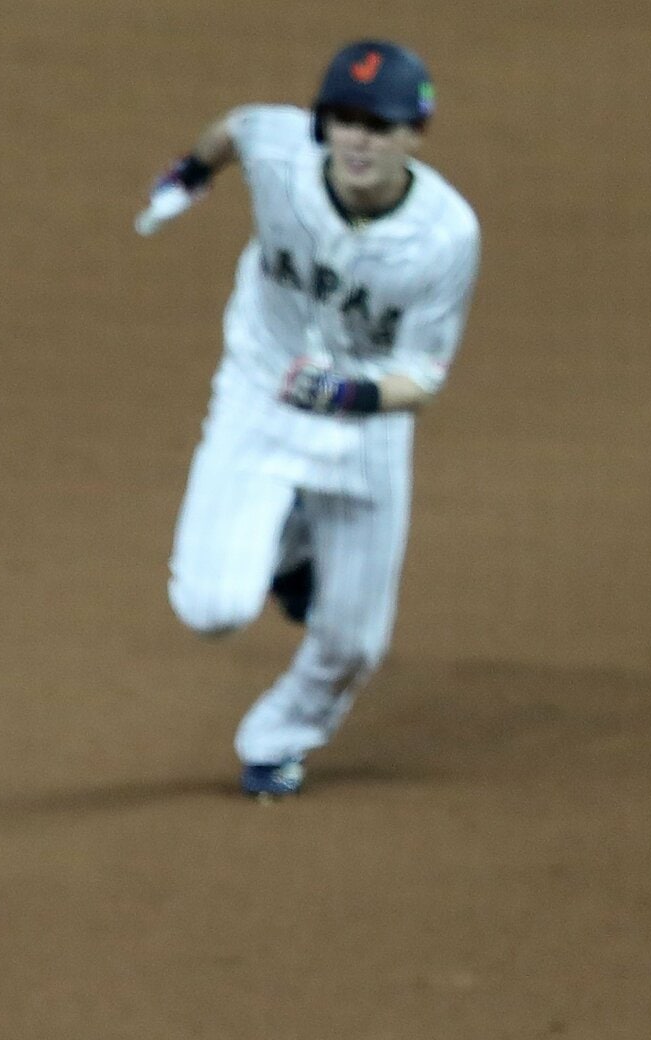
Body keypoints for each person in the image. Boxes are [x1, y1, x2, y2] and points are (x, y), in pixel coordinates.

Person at [136, 40, 481, 798]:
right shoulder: (283, 150)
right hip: (261, 392)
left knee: (357, 641)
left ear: (414, 136)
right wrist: (190, 174)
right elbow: (232, 129)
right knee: (212, 607)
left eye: (379, 125)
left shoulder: (446, 237)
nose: (358, 138)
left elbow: (423, 374)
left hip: (364, 428)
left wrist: (351, 397)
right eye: (344, 119)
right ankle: (293, 554)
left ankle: (278, 739)